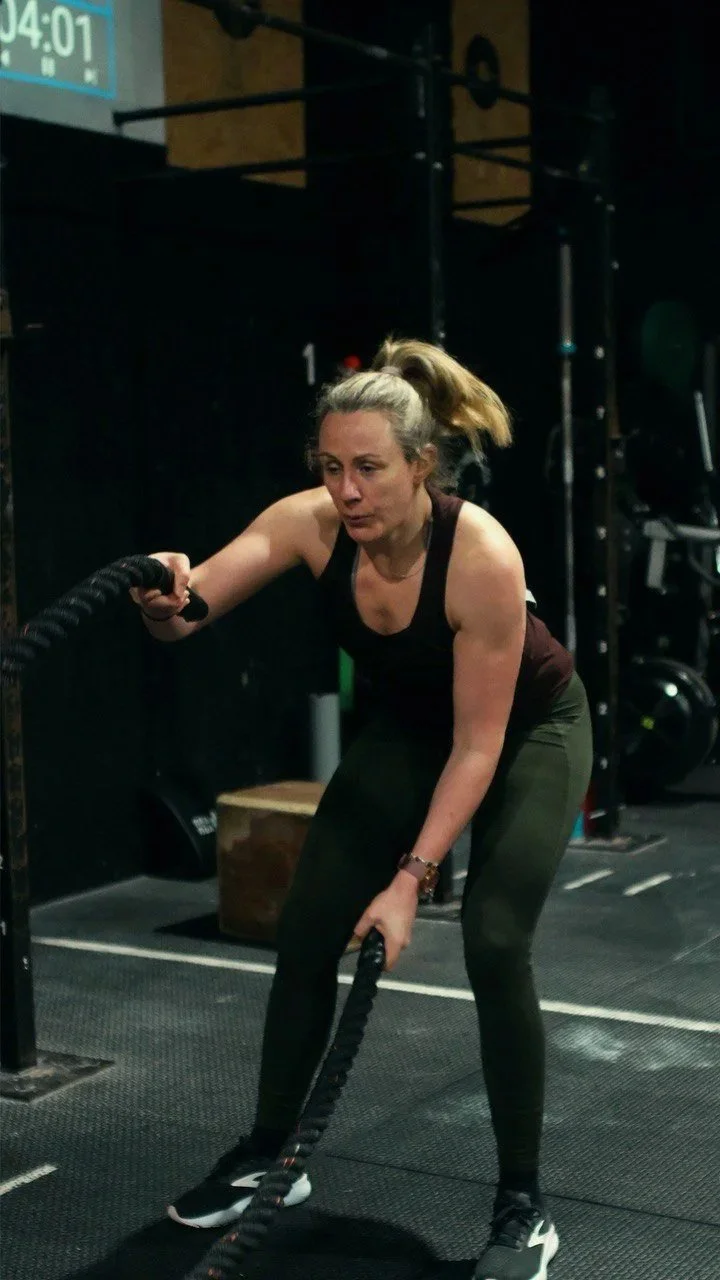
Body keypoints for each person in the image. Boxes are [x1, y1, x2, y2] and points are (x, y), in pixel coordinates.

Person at [130, 337, 593, 1280]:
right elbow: (186, 614)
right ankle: (271, 1155)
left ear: (421, 465)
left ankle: (523, 1205)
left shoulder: (480, 556)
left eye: (369, 469)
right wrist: (159, 592)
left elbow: (479, 745)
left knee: (495, 940)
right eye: (331, 467)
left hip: (529, 731)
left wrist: (409, 880)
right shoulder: (308, 525)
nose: (347, 490)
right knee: (307, 929)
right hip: (414, 730)